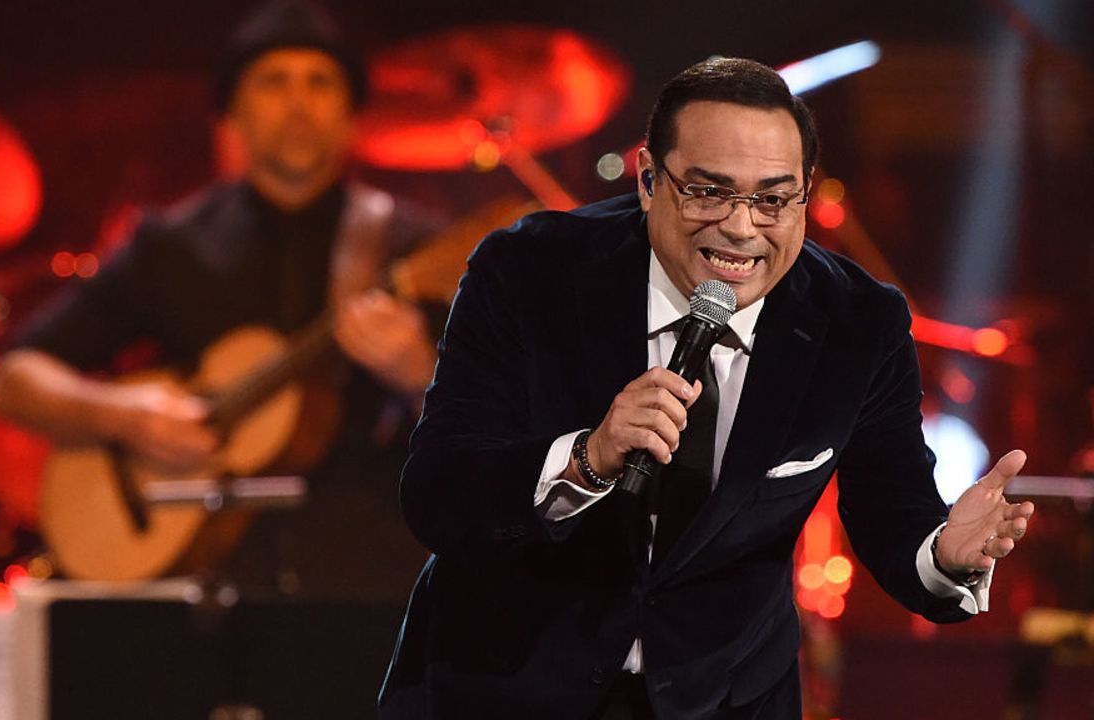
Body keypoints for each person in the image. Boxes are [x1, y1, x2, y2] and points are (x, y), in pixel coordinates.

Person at [379, 57, 1035, 719]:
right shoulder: (527, 272)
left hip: (723, 700)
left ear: (805, 193)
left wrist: (945, 557)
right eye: (708, 192)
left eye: (773, 199)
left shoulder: (858, 322)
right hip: (501, 690)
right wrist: (587, 457)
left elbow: (893, 509)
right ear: (647, 180)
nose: (741, 228)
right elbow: (438, 494)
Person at [0, 0, 437, 600]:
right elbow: (14, 378)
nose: (299, 102)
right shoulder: (169, 245)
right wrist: (124, 415)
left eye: (320, 82)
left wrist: (422, 374)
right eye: (274, 82)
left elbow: (512, 432)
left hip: (372, 585)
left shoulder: (417, 250)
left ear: (352, 114)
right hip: (206, 583)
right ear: (232, 114)